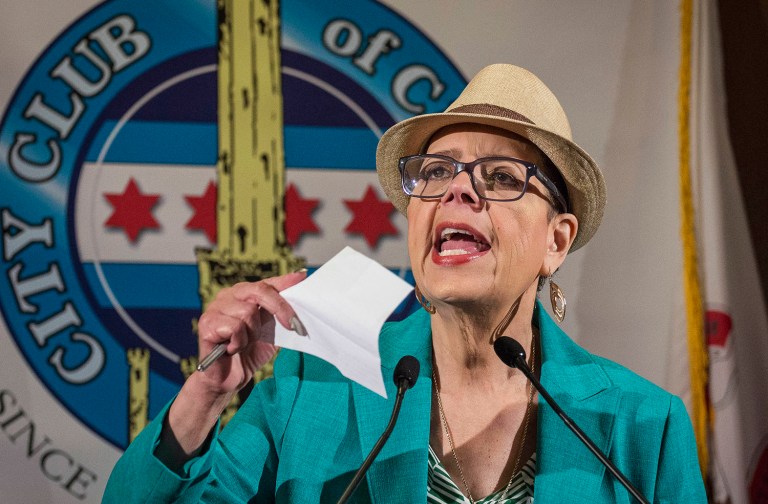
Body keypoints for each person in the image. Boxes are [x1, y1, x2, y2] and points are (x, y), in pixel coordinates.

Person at [103, 64, 707, 503]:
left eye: (500, 177)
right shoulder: (307, 391)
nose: (458, 190)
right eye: (437, 172)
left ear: (556, 241)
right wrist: (206, 395)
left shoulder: (643, 429)